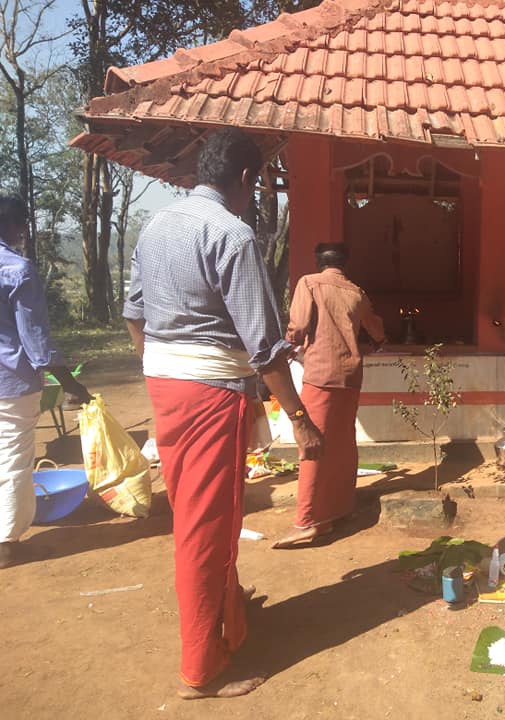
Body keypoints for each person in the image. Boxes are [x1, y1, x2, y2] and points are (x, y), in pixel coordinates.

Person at [123, 129, 323, 699]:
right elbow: (263, 346)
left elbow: (133, 313)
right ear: (242, 180)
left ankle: (228, 619)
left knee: (198, 513)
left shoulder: (157, 224)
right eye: (256, 183)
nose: (254, 194)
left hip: (166, 387)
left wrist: (164, 365)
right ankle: (202, 669)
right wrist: (300, 418)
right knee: (206, 528)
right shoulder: (232, 235)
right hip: (210, 394)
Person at [272, 243, 384, 549]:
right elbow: (377, 331)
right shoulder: (356, 291)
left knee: (313, 445)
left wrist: (290, 345)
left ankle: (307, 521)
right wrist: (369, 347)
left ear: (318, 261)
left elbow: (297, 326)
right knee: (343, 442)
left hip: (321, 374)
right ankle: (340, 509)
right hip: (351, 376)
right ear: (344, 263)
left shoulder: (308, 283)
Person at [0, 196, 91, 568]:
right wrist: (70, 383)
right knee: (12, 458)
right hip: (10, 382)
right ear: (18, 225)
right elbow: (36, 342)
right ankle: (5, 541)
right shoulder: (18, 269)